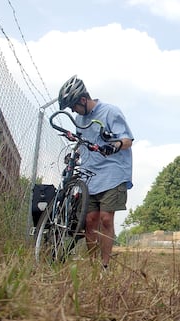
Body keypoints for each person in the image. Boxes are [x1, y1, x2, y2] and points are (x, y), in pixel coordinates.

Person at [57, 75, 134, 270]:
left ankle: (105, 266)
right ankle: (93, 267)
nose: (73, 111)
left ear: (83, 100)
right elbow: (83, 142)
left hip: (112, 173)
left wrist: (114, 146)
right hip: (89, 175)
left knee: (106, 219)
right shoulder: (79, 118)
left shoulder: (110, 112)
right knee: (90, 221)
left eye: (73, 106)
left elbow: (127, 140)